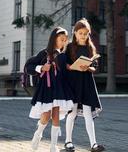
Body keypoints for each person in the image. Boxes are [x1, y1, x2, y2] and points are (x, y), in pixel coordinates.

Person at [27, 27, 74, 152]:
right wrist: (41, 67)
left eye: (65, 40)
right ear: (54, 39)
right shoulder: (44, 54)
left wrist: (70, 68)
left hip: (60, 89)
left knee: (56, 114)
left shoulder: (63, 56)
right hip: (46, 89)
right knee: (46, 114)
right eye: (61, 39)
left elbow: (65, 72)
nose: (64, 42)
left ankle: (53, 146)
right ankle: (38, 134)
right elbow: (28, 66)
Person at [64, 19, 105, 152]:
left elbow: (94, 68)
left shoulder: (90, 48)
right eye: (80, 33)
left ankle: (93, 144)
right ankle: (68, 141)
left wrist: (87, 68)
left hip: (87, 83)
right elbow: (65, 65)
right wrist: (72, 67)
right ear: (75, 33)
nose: (83, 35)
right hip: (73, 83)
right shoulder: (70, 47)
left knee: (88, 114)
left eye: (86, 33)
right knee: (73, 112)